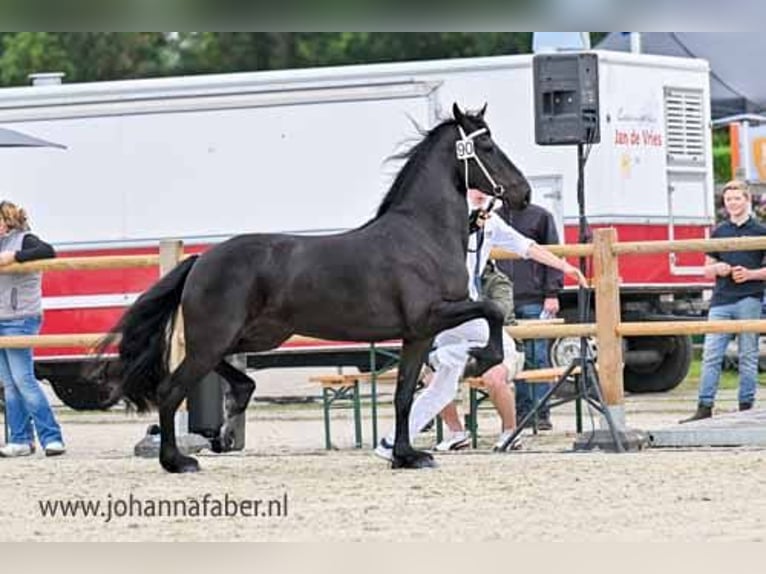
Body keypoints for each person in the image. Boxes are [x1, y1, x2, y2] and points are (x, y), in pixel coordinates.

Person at [375, 189, 587, 461]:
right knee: (503, 348)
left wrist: (564, 267)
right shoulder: (445, 217)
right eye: (474, 189)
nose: (479, 194)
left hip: (456, 313)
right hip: (454, 309)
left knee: (442, 389)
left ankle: (392, 441)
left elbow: (527, 247)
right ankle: (440, 357)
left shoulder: (492, 223)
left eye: (484, 191)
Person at [681, 180, 766, 423]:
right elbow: (707, 269)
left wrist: (750, 274)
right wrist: (718, 268)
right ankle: (704, 406)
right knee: (711, 354)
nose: (732, 203)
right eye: (728, 199)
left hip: (749, 298)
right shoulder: (719, 231)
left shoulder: (761, 231)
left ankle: (746, 408)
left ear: (747, 200)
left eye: (737, 198)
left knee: (748, 354)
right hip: (720, 300)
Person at [432, 262, 525, 452]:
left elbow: (501, 312)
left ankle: (511, 432)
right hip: (460, 349)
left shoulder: (496, 281)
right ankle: (457, 433)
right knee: (431, 377)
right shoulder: (439, 285)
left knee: (493, 377)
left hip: (500, 345)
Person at [0, 200, 65, 457]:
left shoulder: (25, 239)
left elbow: (48, 251)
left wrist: (13, 257)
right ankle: (20, 440)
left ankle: (51, 436)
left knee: (24, 380)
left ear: (8, 220)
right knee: (9, 383)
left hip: (20, 318)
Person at [496, 198, 563, 431]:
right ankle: (524, 410)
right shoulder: (493, 217)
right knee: (514, 358)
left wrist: (552, 293)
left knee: (538, 355)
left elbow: (554, 255)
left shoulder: (541, 216)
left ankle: (541, 411)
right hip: (502, 299)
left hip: (534, 297)